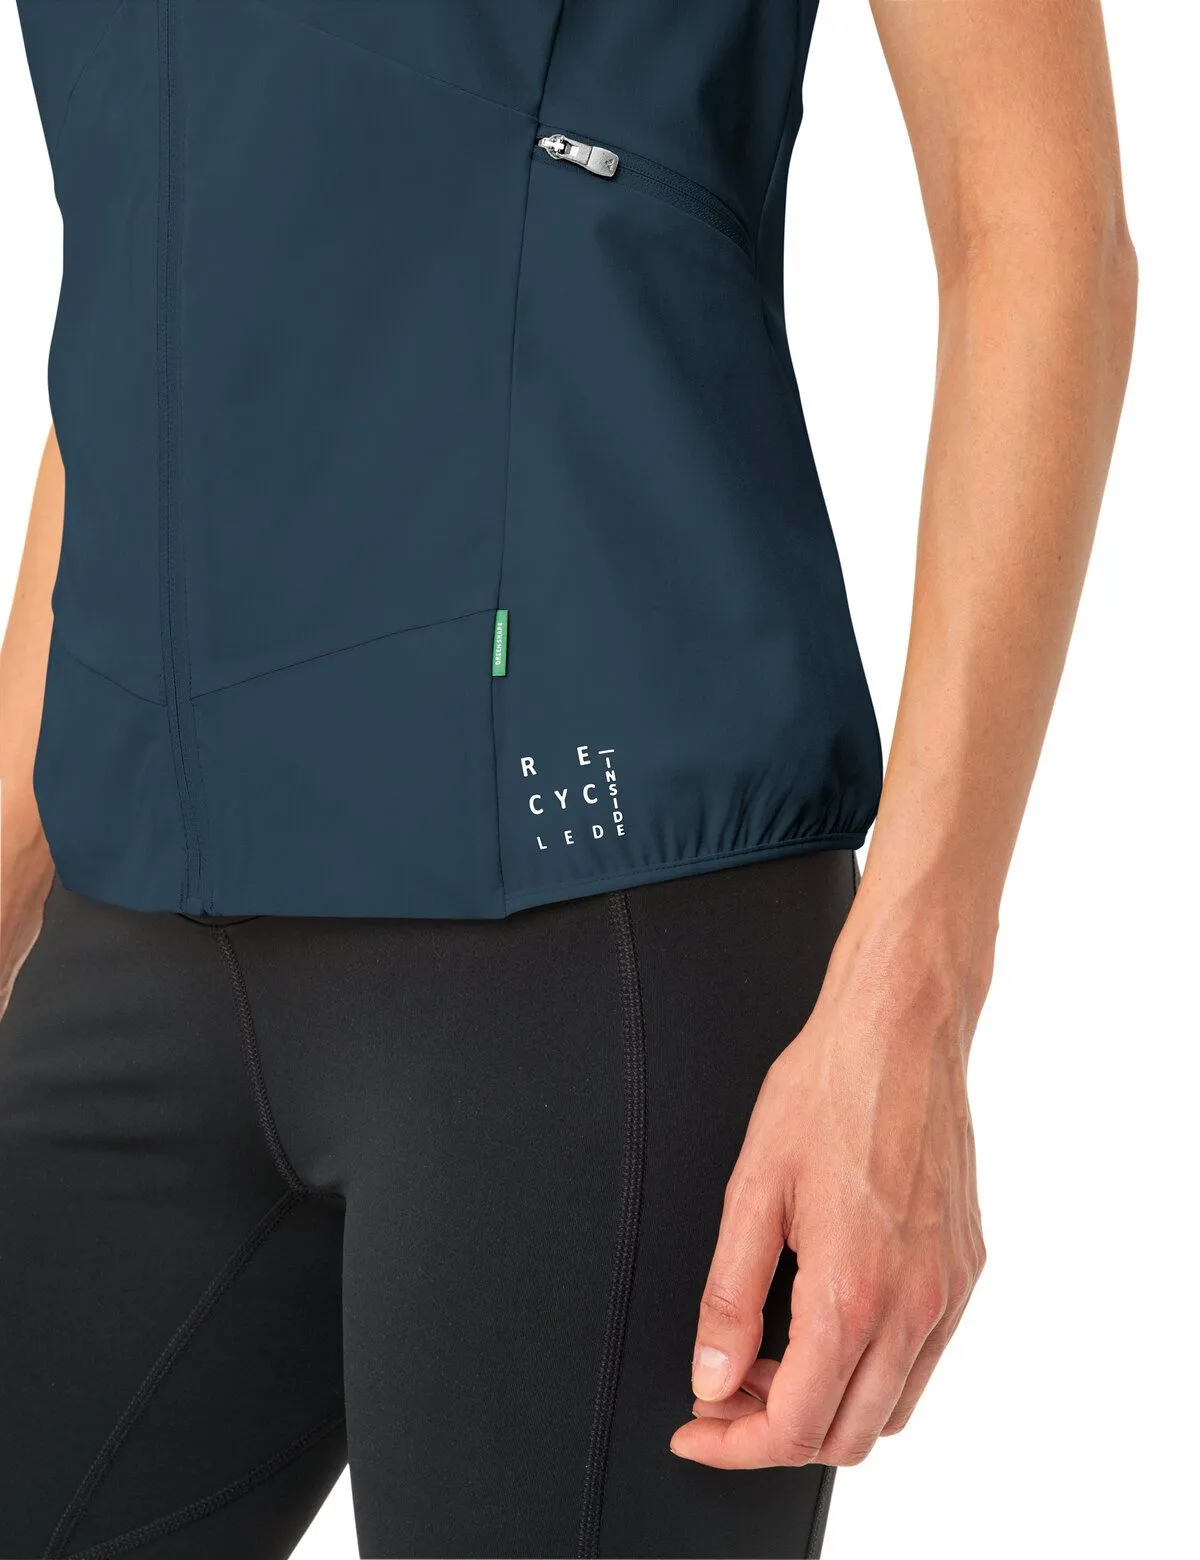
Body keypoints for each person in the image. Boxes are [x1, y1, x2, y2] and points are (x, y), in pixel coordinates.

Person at [0, 2, 1135, 1557]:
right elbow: (169, 293)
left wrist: (915, 1003)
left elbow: (1037, 224)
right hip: (140, 929)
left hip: (589, 951)